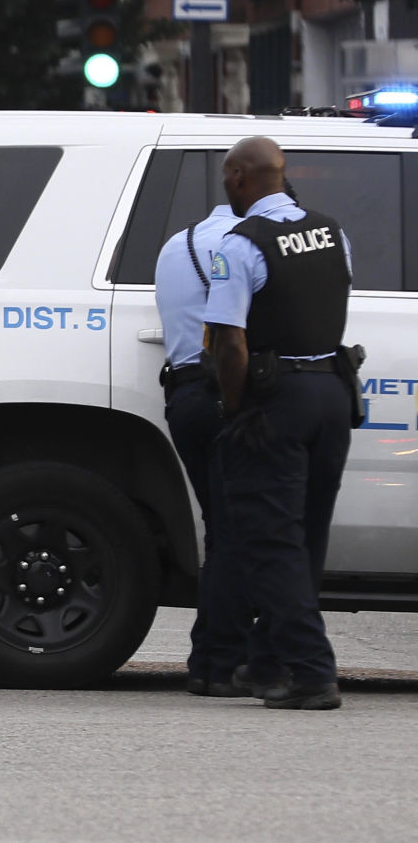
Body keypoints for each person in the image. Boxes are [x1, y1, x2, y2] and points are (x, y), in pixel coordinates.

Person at [203, 136, 355, 711]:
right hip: (333, 394)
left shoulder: (241, 244)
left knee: (270, 539)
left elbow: (230, 342)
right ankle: (267, 663)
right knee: (306, 535)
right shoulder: (332, 230)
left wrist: (237, 408)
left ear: (241, 177)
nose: (226, 186)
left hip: (277, 399)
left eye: (226, 177)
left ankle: (312, 672)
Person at [154, 196, 246, 695]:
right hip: (225, 393)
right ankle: (220, 661)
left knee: (223, 528)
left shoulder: (176, 244)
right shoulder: (245, 245)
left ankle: (212, 656)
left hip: (185, 392)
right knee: (236, 532)